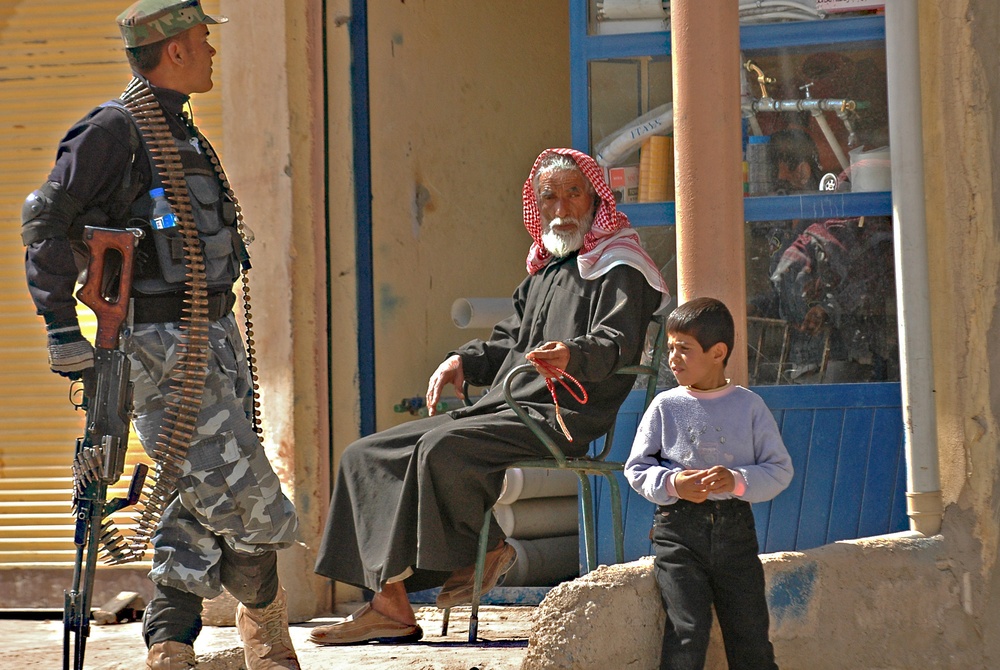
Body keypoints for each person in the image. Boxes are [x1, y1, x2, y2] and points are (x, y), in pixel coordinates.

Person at [20, 2, 300, 668]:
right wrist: (61, 324)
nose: (210, 51)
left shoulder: (178, 130)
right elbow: (44, 222)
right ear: (173, 49)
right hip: (160, 342)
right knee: (251, 500)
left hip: (210, 334)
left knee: (191, 505)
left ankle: (169, 650)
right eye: (202, 41)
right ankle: (268, 635)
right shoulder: (115, 131)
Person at [309, 148, 671, 645]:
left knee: (442, 450)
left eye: (574, 194)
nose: (562, 208)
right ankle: (388, 603)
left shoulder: (621, 267)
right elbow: (507, 340)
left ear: (595, 198)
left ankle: (488, 548)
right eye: (550, 198)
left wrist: (572, 353)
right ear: (536, 205)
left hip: (563, 412)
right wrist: (462, 361)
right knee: (363, 455)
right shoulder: (544, 272)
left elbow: (617, 342)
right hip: (504, 406)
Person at [624, 297, 793, 670]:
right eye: (670, 348)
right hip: (677, 534)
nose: (673, 358)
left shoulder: (749, 407)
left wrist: (736, 480)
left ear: (718, 352)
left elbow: (779, 470)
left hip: (736, 534)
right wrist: (673, 483)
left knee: (749, 633)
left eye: (684, 349)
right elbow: (636, 468)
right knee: (687, 630)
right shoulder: (664, 406)